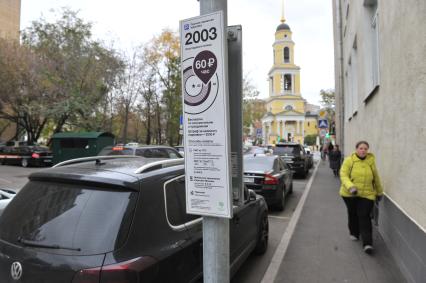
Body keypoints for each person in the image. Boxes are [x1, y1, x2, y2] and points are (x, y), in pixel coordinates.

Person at [339, 141, 383, 254]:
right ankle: (354, 232)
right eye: (361, 148)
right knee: (353, 213)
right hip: (350, 194)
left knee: (364, 216)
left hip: (367, 194)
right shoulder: (350, 160)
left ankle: (368, 243)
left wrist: (379, 191)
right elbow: (343, 175)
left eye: (365, 149)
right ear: (356, 149)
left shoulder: (370, 161)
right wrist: (350, 186)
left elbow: (376, 177)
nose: (363, 150)